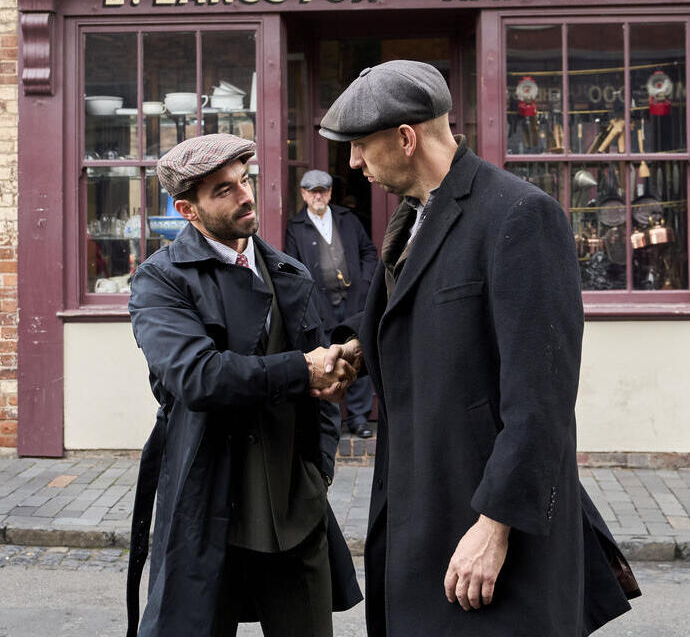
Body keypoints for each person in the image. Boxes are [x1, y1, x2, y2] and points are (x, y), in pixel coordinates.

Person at [317, 61, 640, 637]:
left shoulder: (519, 215)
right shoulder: (413, 218)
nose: (353, 163)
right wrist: (360, 351)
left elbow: (541, 397)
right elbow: (437, 324)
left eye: (361, 146)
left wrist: (495, 524)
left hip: (490, 532)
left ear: (406, 138)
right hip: (422, 512)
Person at [126, 133, 362, 637]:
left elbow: (322, 397)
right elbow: (198, 376)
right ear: (188, 210)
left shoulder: (289, 274)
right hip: (204, 501)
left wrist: (317, 471)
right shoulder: (161, 281)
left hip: (292, 504)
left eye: (245, 179)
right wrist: (301, 368)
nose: (245, 195)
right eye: (224, 190)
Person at [285, 169, 379, 439]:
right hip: (319, 306)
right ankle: (330, 421)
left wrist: (364, 283)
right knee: (326, 363)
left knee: (357, 356)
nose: (318, 196)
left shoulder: (347, 219)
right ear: (303, 194)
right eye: (313, 191)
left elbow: (369, 252)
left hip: (353, 302)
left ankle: (359, 418)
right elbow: (292, 268)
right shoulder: (296, 227)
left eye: (323, 191)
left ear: (330, 193)